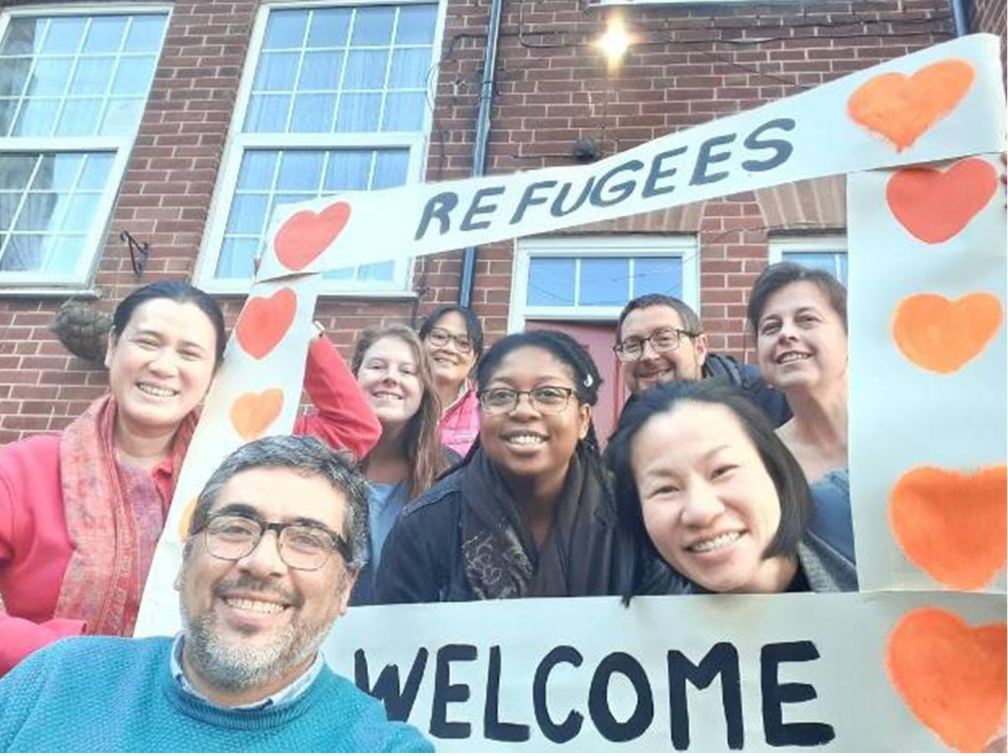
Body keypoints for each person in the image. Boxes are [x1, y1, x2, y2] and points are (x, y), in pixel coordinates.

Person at [0, 281, 381, 676]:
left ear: (214, 373)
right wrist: (74, 658)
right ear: (113, 347)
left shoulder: (236, 459)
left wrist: (297, 312)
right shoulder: (22, 469)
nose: (164, 366)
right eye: (148, 342)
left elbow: (354, 429)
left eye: (189, 353)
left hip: (201, 704)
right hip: (53, 697)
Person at [0, 436, 433, 752]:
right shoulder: (53, 679)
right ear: (185, 560)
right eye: (234, 528)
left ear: (346, 588)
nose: (262, 562)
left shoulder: (385, 748)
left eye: (307, 539)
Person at [375, 329, 634, 603]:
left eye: (548, 394)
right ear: (481, 415)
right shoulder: (423, 525)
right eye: (501, 395)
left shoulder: (635, 517)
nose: (523, 410)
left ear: (583, 419)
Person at [607, 380, 856, 597]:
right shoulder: (647, 637)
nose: (701, 511)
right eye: (665, 489)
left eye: (722, 471)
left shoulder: (861, 517)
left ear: (774, 469)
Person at [746, 263, 854, 563]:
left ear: (850, 337)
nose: (786, 334)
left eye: (806, 320)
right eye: (770, 327)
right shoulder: (757, 462)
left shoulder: (908, 432)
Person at [350, 324, 456, 604]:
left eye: (407, 371)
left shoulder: (451, 475)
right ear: (354, 379)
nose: (390, 378)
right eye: (376, 366)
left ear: (423, 390)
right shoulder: (316, 466)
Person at [614, 293, 790, 426]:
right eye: (632, 345)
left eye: (664, 339)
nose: (648, 356)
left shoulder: (770, 396)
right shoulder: (625, 433)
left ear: (699, 348)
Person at [418, 304, 484, 456]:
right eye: (439, 337)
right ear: (420, 344)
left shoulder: (486, 413)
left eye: (463, 343)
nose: (449, 348)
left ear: (474, 358)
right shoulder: (396, 399)